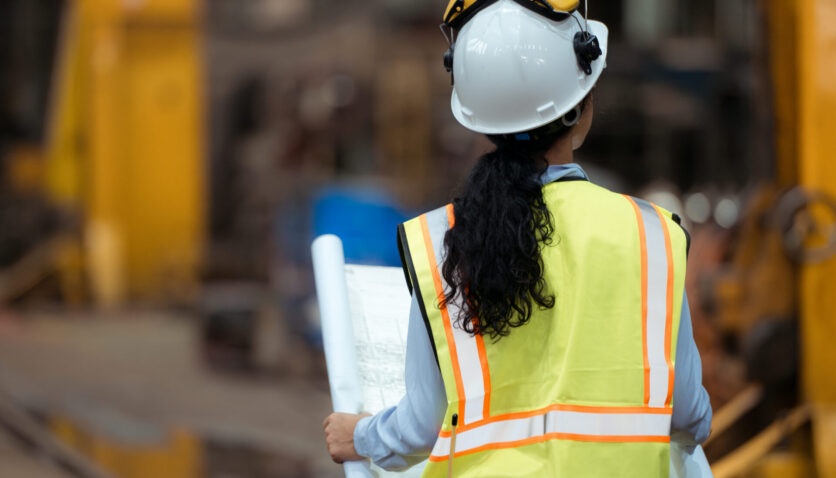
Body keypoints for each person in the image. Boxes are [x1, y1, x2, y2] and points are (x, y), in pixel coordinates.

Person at [322, 0, 712, 476]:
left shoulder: (444, 239)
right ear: (583, 106)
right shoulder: (653, 237)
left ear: (480, 119)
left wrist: (357, 435)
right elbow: (691, 418)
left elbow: (420, 429)